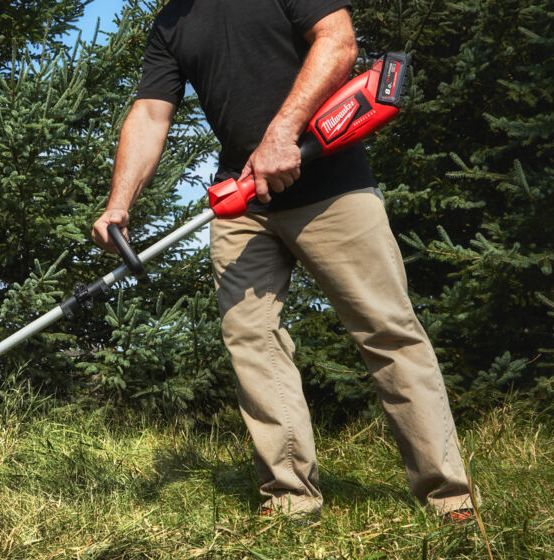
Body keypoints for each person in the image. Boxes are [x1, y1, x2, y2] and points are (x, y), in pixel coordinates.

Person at [91, 0, 476, 523]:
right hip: (243, 200)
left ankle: (448, 497)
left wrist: (282, 133)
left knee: (385, 330)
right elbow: (151, 112)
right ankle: (291, 500)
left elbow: (338, 41)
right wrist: (120, 203)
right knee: (251, 340)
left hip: (332, 186)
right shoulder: (170, 23)